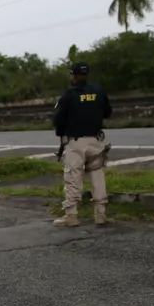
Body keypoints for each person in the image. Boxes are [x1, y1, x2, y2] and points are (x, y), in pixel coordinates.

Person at [52, 63, 112, 227]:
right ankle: (100, 214)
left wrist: (61, 133)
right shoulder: (99, 91)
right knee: (97, 175)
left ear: (73, 76)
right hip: (96, 140)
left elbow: (58, 120)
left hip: (76, 142)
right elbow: (108, 112)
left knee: (72, 177)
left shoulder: (69, 95)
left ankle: (71, 215)